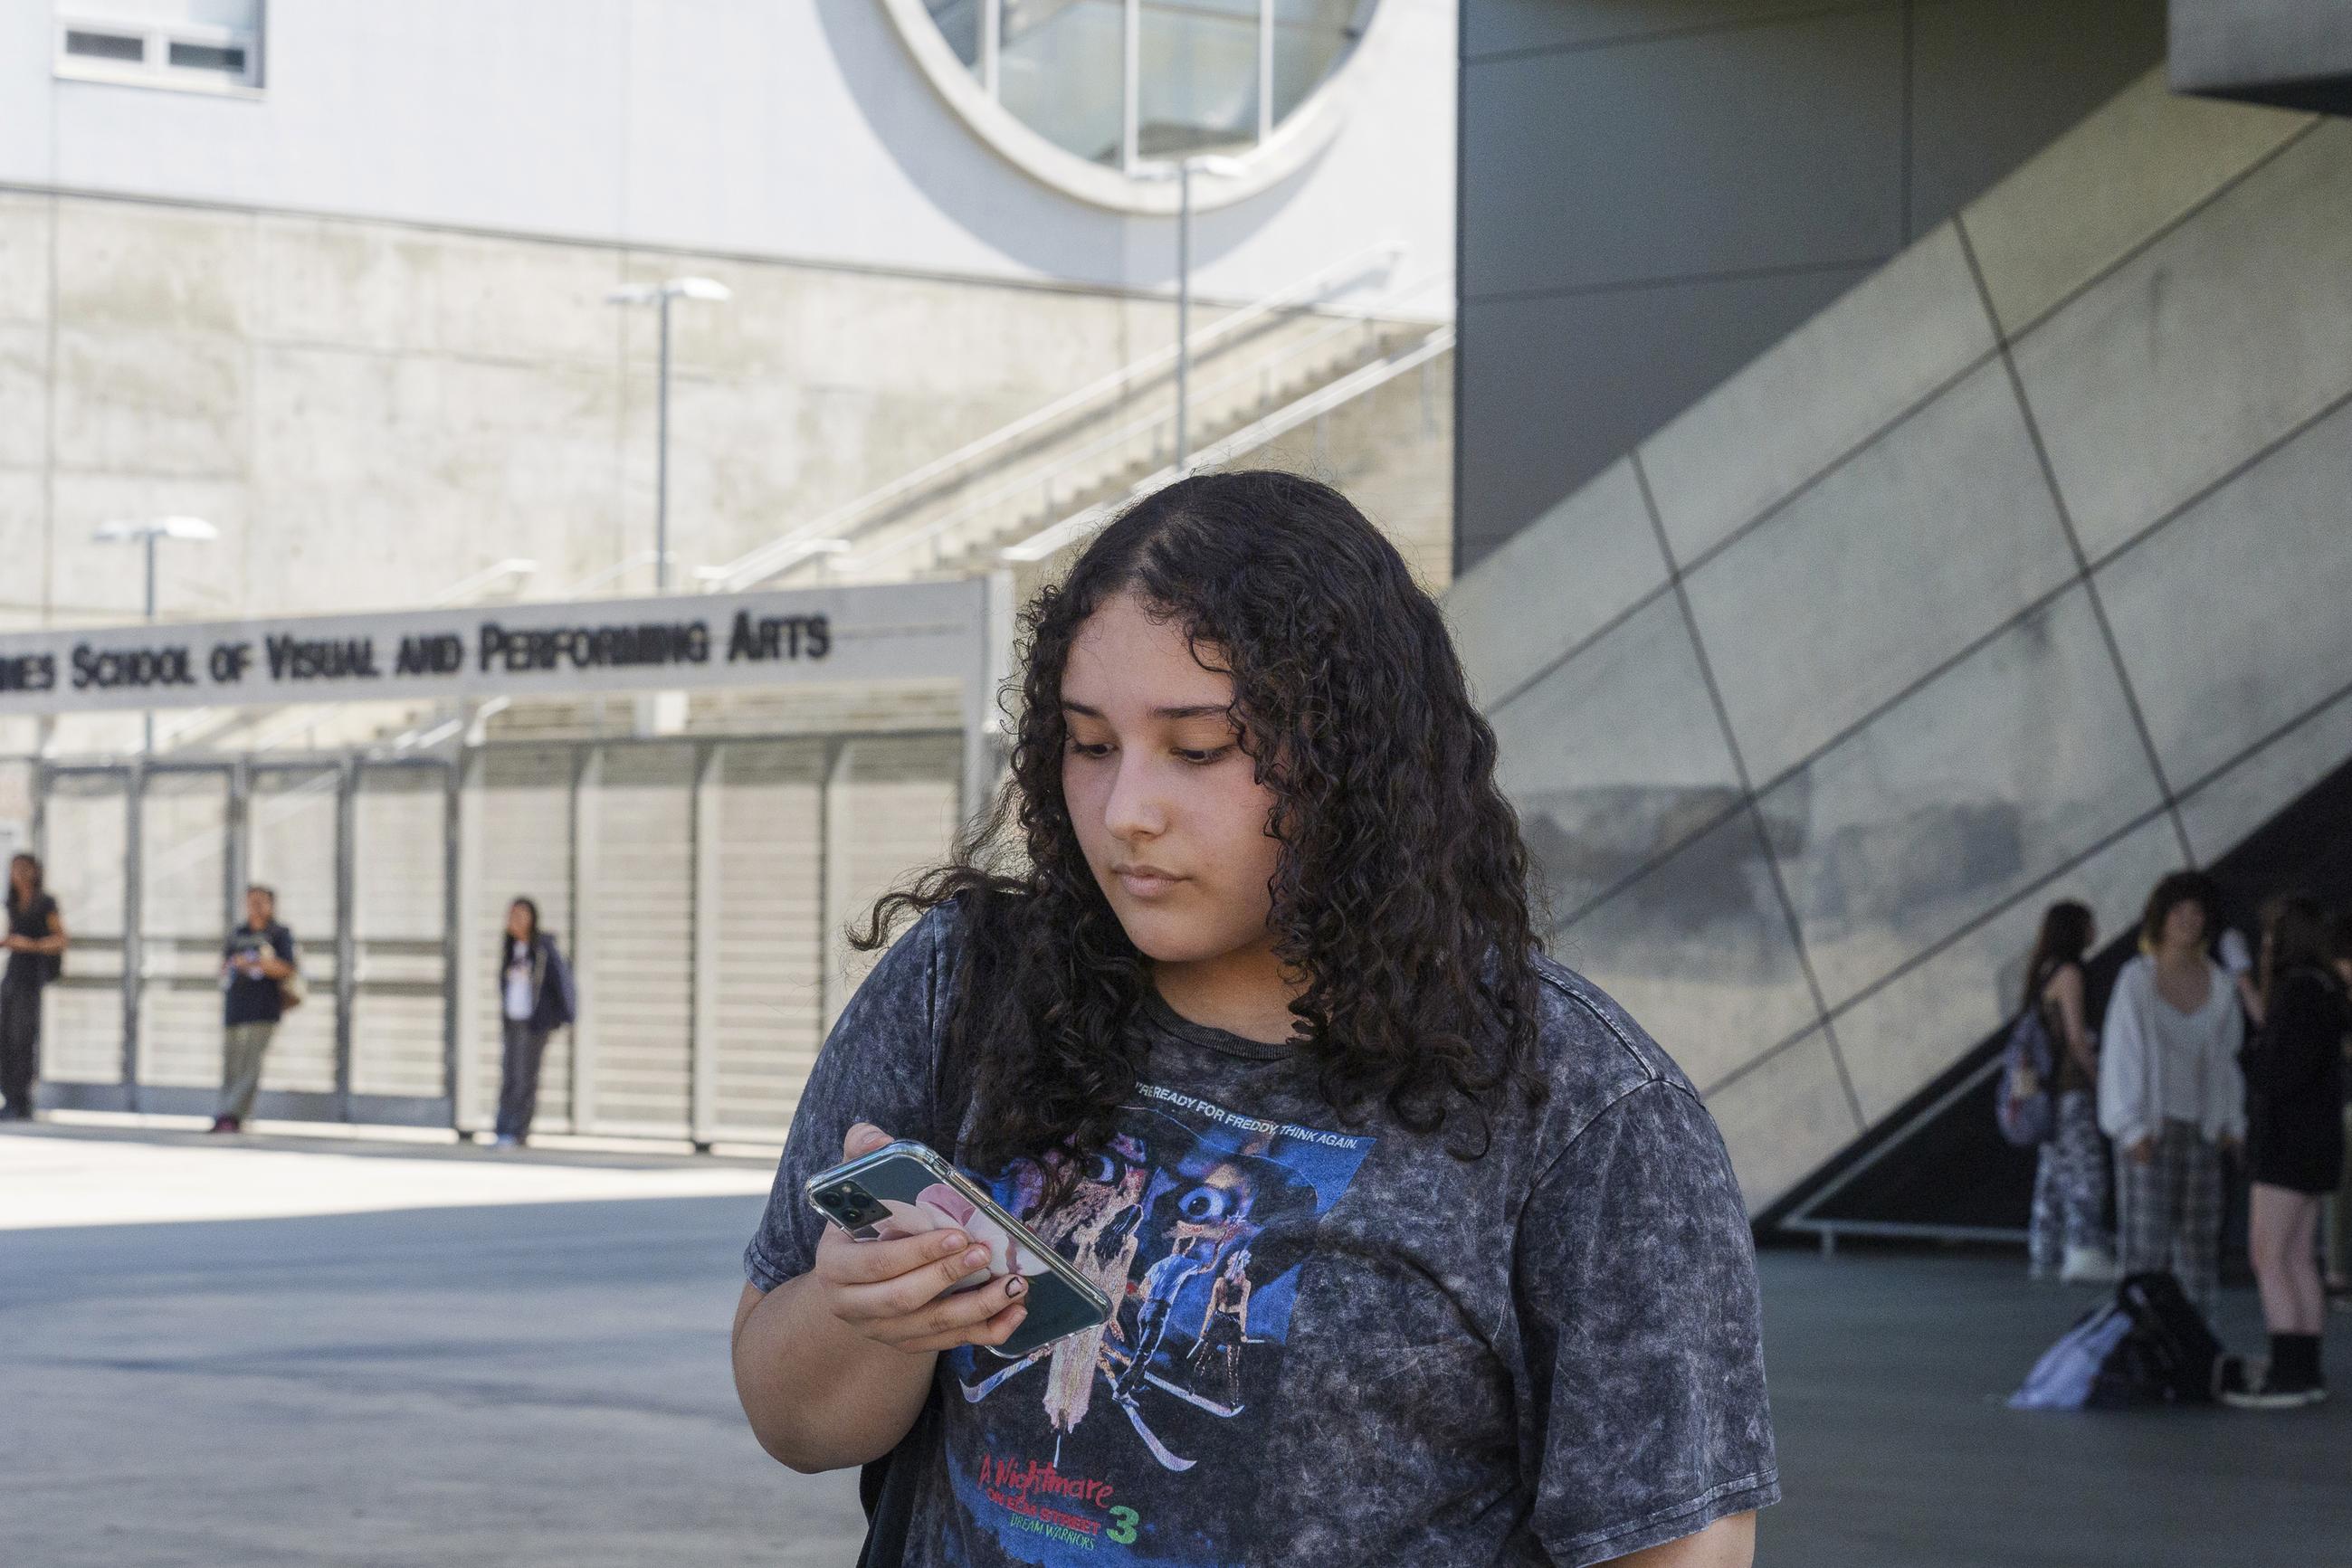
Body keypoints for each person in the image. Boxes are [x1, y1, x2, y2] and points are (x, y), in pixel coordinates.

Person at [731, 472, 1776, 1567]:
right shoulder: (962, 985)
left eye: (1197, 748)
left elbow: (1671, 1549)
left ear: (1355, 762)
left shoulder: (1580, 1108)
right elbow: (795, 1423)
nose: (1127, 808)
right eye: (1089, 744)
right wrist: (859, 1313)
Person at [2098, 871, 2245, 1319]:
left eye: (2197, 912)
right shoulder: (2136, 980)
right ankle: (2137, 1341)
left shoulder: (2220, 985)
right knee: (2146, 1246)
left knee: (2199, 1246)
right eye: (2179, 910)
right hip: (2150, 1130)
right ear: (2160, 919)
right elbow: (2121, 1056)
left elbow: (2226, 1060)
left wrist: (2231, 1123)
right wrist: (2131, 1126)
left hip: (2202, 1130)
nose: (2188, 919)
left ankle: (2194, 1347)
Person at [2225, 896, 2347, 1409]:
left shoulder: (2298, 993)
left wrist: (2251, 1057)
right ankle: (2305, 1367)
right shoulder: (2327, 991)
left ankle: (2287, 1372)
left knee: (2269, 1254)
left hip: (2286, 1146)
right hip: (2318, 1143)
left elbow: (2278, 1072)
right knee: (2299, 1257)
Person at [2023, 900, 2117, 1286]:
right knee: (2085, 1170)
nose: (2095, 930)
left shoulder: (2042, 971)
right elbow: (2077, 1037)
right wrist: (2100, 1079)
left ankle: (2045, 1250)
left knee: (2053, 1171)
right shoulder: (2071, 973)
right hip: (2072, 1086)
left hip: (2048, 1092)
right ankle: (2084, 1250)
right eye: (2089, 924)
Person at [490, 896, 576, 1149]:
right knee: (509, 1075)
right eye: (512, 914)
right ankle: (502, 1129)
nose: (514, 920)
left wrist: (562, 1016)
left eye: (521, 915)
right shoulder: (510, 949)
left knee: (525, 1077)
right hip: (513, 1022)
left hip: (534, 1024)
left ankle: (518, 1131)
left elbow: (561, 983)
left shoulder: (543, 949)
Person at [213, 885, 296, 1135]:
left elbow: (287, 968)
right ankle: (228, 1112)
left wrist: (258, 963)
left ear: (271, 904)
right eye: (251, 901)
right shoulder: (238, 933)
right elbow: (225, 966)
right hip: (236, 1006)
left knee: (251, 1065)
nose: (256, 907)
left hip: (264, 1008)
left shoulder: (279, 934)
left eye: (261, 902)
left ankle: (232, 1115)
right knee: (232, 1065)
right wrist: (236, 965)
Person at [2, 852, 68, 1121]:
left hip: (30, 978)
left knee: (22, 1038)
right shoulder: (12, 903)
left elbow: (61, 939)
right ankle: (10, 1097)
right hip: (12, 975)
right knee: (5, 1037)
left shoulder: (45, 903)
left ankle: (23, 1101)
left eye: (24, 869)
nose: (18, 875)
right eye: (14, 869)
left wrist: (30, 945)